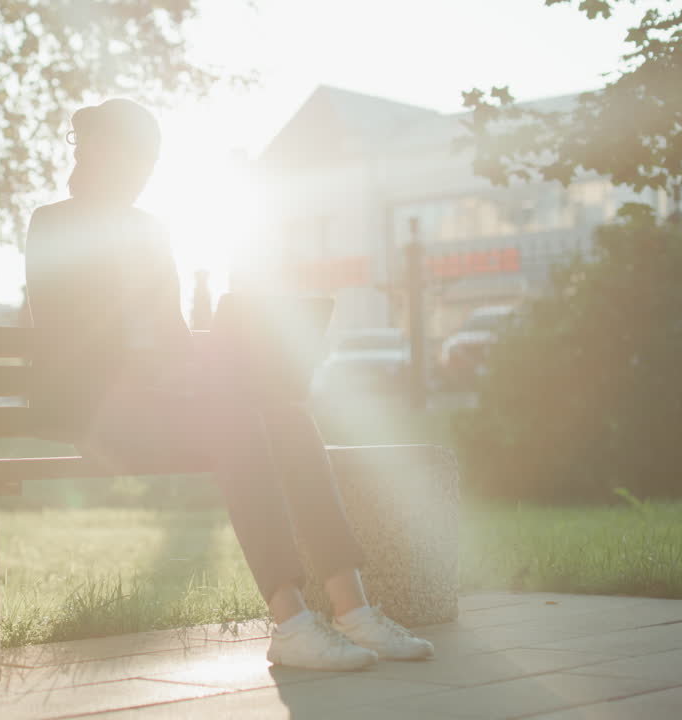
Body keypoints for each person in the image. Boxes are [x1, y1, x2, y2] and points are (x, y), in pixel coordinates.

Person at [23, 98, 434, 672]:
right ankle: (291, 624)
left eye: (151, 161)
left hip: (167, 403)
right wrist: (154, 369)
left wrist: (208, 362)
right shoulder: (55, 224)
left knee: (286, 415)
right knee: (236, 421)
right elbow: (64, 332)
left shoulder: (151, 230)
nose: (143, 172)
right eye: (135, 157)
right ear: (96, 153)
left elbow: (167, 327)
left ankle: (353, 610)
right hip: (102, 414)